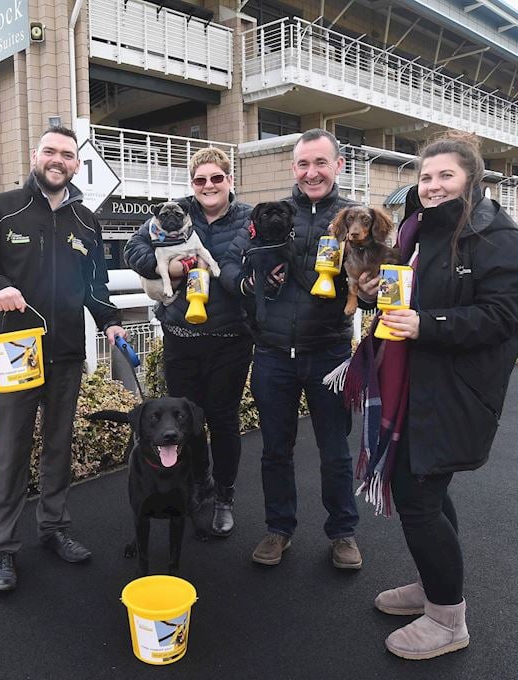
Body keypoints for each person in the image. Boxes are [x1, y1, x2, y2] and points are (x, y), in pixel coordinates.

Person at [351, 130, 518, 658]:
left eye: (445, 176)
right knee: (429, 492)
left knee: (419, 498)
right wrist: (370, 295)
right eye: (426, 176)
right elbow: (398, 296)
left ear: (471, 180)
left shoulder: (496, 237)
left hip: (456, 391)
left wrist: (425, 325)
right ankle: (436, 588)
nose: (432, 186)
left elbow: (504, 316)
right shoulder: (417, 230)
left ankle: (448, 620)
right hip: (414, 385)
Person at [0, 126, 127, 593]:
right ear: (36, 156)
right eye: (50, 151)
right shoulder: (1, 208)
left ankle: (53, 529)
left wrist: (110, 321)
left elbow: (96, 285)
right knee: (10, 450)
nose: (58, 160)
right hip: (15, 350)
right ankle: (2, 551)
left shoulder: (86, 220)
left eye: (67, 155)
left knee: (58, 446)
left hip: (68, 354)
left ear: (76, 165)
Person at [221, 129, 362, 569]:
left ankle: (342, 533)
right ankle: (279, 529)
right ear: (293, 169)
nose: (312, 172)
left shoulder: (353, 218)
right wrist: (250, 283)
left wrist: (369, 290)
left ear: (338, 166)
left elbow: (376, 280)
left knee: (335, 450)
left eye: (321, 163)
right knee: (275, 450)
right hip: (273, 355)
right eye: (303, 164)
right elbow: (227, 265)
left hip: (330, 353)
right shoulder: (270, 214)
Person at [123, 147, 253, 537]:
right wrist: (171, 267)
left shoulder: (248, 218)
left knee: (224, 420)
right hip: (180, 338)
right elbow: (134, 249)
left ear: (230, 180)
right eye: (200, 180)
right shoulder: (173, 211)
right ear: (192, 184)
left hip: (231, 338)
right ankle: (197, 488)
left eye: (217, 178)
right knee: (187, 425)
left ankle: (225, 495)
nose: (208, 186)